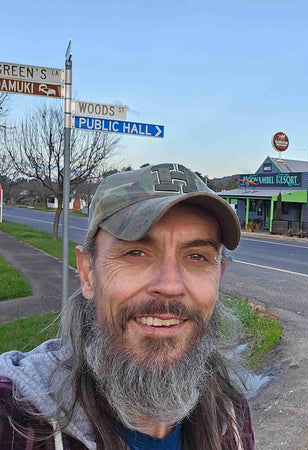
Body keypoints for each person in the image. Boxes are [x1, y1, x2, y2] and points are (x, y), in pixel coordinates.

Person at [0, 163, 254, 449]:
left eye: (196, 257)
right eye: (136, 252)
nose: (170, 286)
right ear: (88, 274)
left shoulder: (230, 414)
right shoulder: (17, 422)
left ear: (218, 278)